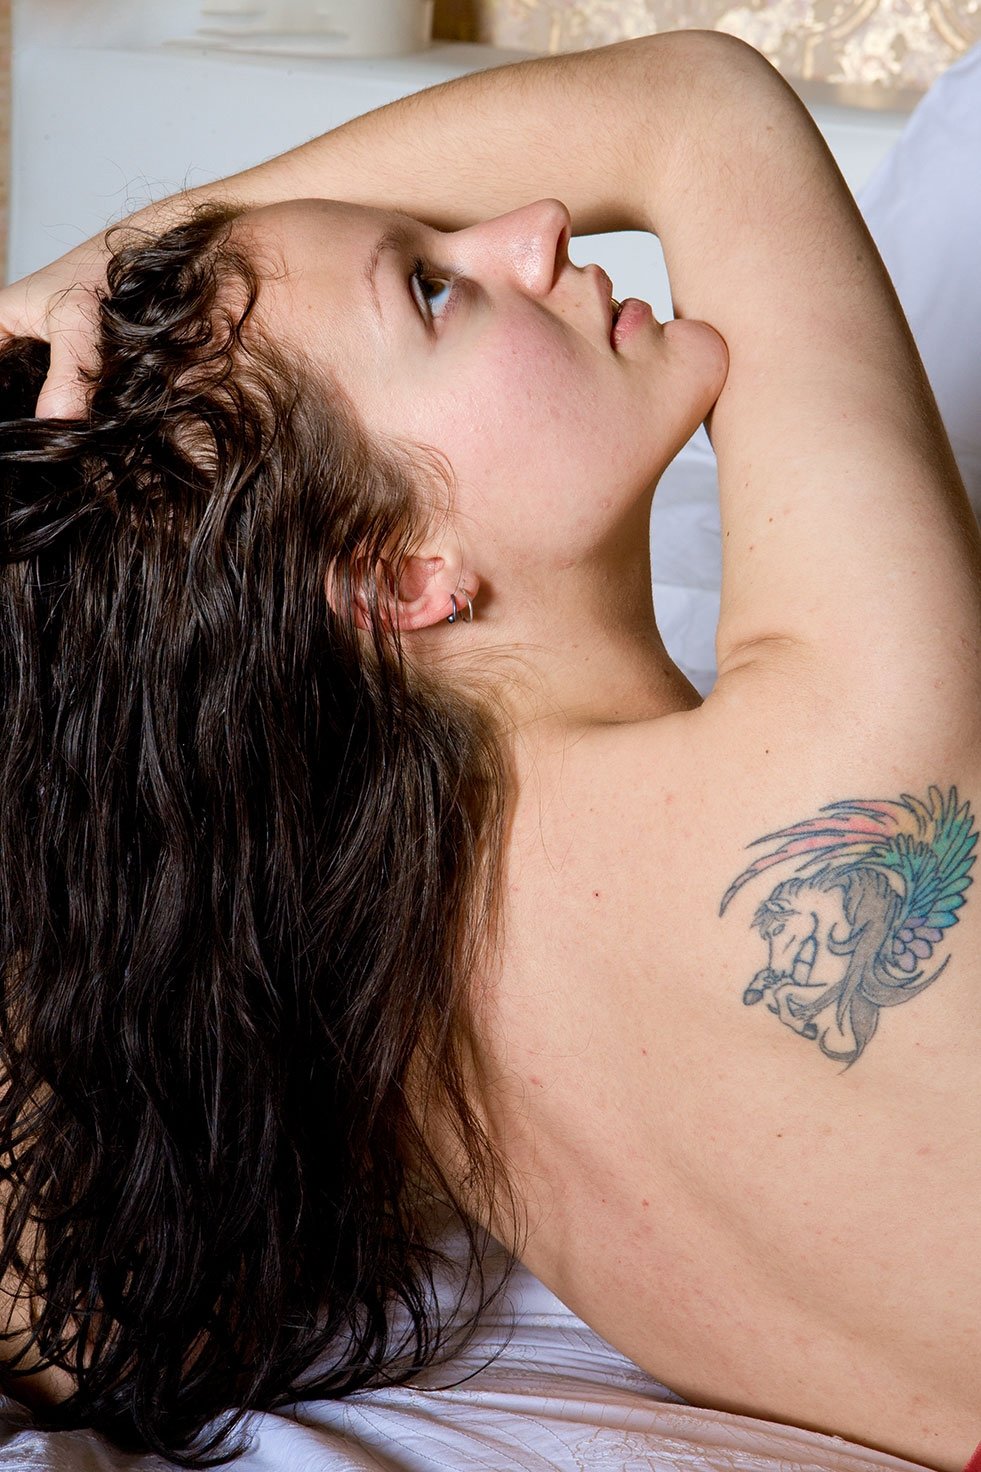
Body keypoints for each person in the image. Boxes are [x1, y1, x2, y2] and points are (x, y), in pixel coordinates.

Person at [0, 27, 977, 1472]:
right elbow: (699, 107)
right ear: (400, 576)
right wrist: (88, 272)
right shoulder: (838, 749)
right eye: (432, 287)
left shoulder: (376, 1029)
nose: (537, 227)